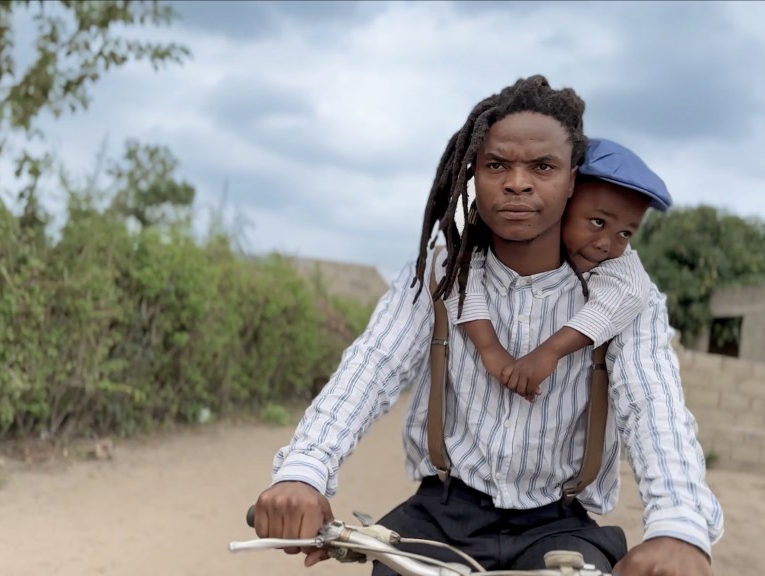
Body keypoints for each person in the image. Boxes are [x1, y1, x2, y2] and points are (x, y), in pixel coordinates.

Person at [251, 75, 723, 576]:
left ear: (572, 181)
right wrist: (304, 471)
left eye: (542, 167)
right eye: (497, 165)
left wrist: (678, 525)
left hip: (558, 524)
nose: (518, 182)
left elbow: (654, 403)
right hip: (439, 514)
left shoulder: (625, 297)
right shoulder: (440, 273)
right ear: (473, 173)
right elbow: (372, 367)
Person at [445, 138, 662, 403]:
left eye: (625, 233)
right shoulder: (497, 238)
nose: (606, 244)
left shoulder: (619, 265)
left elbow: (630, 291)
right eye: (597, 222)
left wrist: (551, 351)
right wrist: (490, 349)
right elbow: (457, 270)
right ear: (561, 201)